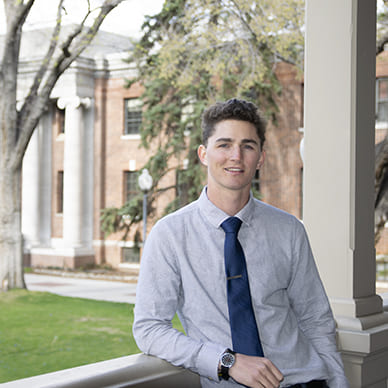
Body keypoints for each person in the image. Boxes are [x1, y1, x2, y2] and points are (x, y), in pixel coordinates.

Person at [133, 98, 349, 388]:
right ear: (203, 154)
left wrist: (338, 383)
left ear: (260, 157)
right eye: (224, 144)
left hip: (305, 380)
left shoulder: (289, 230)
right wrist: (225, 361)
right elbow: (149, 328)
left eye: (248, 146)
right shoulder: (170, 235)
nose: (236, 155)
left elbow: (316, 320)